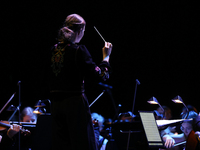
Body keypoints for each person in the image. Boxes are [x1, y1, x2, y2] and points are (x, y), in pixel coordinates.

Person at [47, 14, 113, 150]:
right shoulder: (78, 50)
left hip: (56, 106)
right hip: (75, 106)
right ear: (80, 31)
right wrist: (106, 57)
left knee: (62, 145)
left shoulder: (52, 50)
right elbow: (101, 75)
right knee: (83, 144)